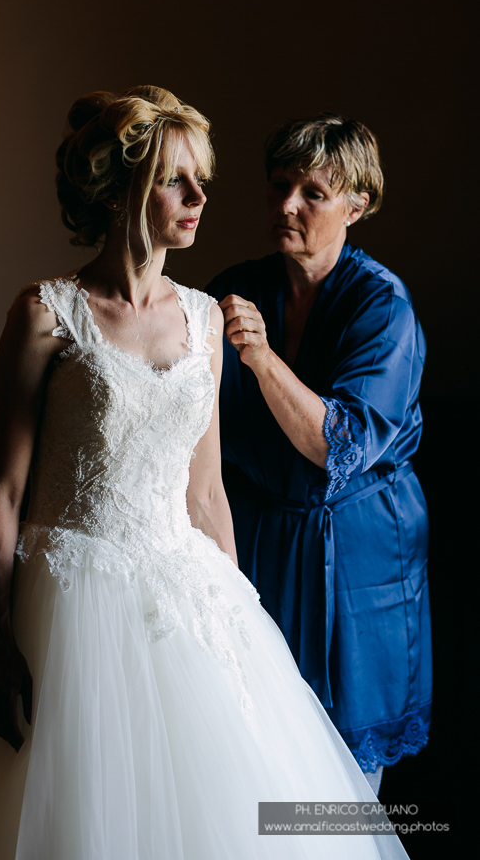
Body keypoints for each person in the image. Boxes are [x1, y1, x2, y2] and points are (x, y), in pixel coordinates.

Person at [0, 90, 410, 859]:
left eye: (202, 179)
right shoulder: (44, 313)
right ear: (120, 188)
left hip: (181, 593)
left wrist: (237, 622)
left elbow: (204, 491)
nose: (199, 197)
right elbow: (1, 489)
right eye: (174, 179)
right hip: (62, 598)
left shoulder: (203, 318)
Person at [206, 114, 432, 795]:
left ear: (355, 206)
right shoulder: (236, 288)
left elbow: (339, 445)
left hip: (358, 557)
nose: (286, 206)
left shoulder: (381, 306)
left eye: (312, 192)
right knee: (257, 768)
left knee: (342, 781)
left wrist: (261, 357)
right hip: (256, 541)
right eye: (279, 186)